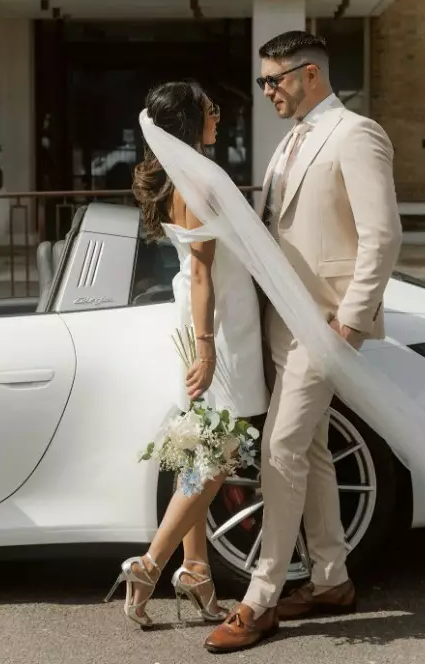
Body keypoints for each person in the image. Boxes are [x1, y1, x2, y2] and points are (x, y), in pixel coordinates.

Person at [204, 31, 403, 653]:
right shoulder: (288, 142)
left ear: (310, 74)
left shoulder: (356, 133)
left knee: (282, 450)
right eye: (264, 81)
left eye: (275, 80)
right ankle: (331, 581)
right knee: (311, 449)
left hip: (324, 322)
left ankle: (260, 598)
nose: (267, 91)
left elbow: (383, 236)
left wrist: (349, 319)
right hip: (281, 320)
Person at [105, 80, 268, 629]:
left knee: (202, 448)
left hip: (215, 319)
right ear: (189, 120)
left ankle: (196, 568)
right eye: (209, 109)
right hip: (218, 327)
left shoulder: (186, 171)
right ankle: (150, 564)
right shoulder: (194, 177)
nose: (217, 116)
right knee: (218, 452)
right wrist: (207, 351)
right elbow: (201, 270)